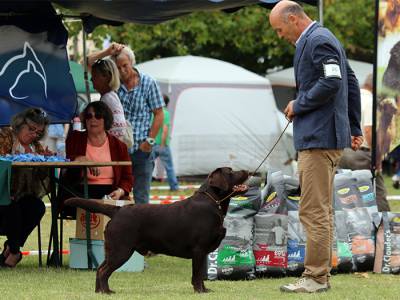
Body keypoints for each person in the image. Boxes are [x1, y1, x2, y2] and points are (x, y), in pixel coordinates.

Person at [269, 1, 362, 293]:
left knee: (313, 210)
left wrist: (300, 103)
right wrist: (355, 127)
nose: (280, 35)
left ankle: (315, 277)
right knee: (320, 210)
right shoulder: (321, 38)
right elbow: (351, 80)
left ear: (294, 18)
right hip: (324, 136)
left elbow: (332, 82)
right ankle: (320, 275)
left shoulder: (317, 40)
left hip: (319, 139)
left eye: (280, 29)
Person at [88, 43, 164, 204]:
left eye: (125, 66)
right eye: (118, 67)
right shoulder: (113, 85)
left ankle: (143, 229)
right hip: (118, 151)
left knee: (142, 198)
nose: (122, 71)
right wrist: (108, 51)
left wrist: (149, 141)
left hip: (142, 149)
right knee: (118, 197)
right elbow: (89, 62)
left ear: (132, 63)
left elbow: (159, 114)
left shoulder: (149, 83)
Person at [59, 101, 133, 213]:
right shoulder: (75, 138)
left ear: (106, 120)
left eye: (98, 116)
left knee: (126, 211)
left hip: (110, 193)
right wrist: (80, 159)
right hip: (80, 192)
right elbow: (70, 165)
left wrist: (120, 191)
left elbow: (127, 177)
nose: (93, 119)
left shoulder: (120, 146)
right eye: (89, 116)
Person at [0, 108, 50, 267]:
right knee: (11, 205)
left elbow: (43, 178)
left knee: (38, 207)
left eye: (38, 132)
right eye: (31, 129)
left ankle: (11, 247)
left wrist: (46, 163)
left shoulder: (38, 147)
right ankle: (14, 252)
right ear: (20, 124)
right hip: (2, 195)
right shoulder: (4, 137)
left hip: (22, 197)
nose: (34, 134)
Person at [339, 74, 391, 212]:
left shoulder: (347, 98)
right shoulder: (371, 101)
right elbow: (368, 130)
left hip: (341, 152)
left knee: (346, 194)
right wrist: (377, 156)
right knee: (377, 191)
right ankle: (383, 226)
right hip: (361, 154)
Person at [91, 58, 133, 148]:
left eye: (94, 76)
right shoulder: (112, 96)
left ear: (107, 76)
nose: (91, 79)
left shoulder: (107, 99)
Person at [152, 95, 179, 191]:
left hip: (152, 144)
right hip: (162, 144)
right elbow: (165, 130)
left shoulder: (153, 113)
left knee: (148, 167)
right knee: (169, 167)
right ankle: (174, 187)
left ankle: (145, 185)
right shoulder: (166, 113)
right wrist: (162, 145)